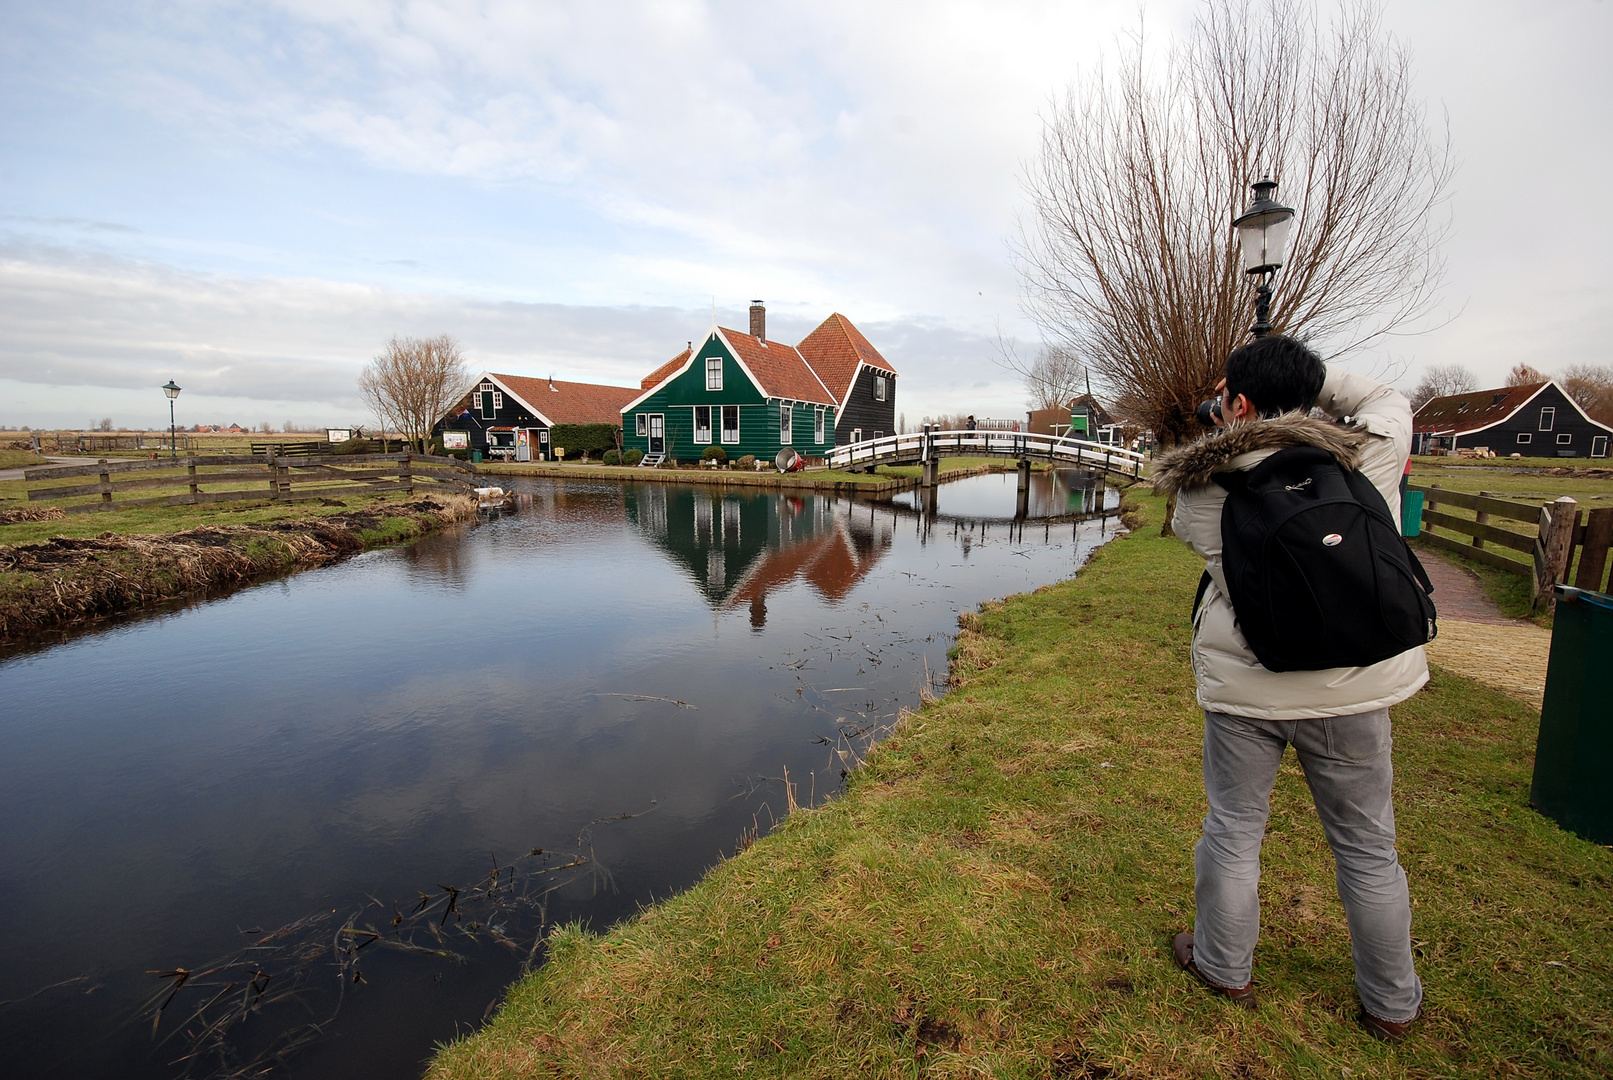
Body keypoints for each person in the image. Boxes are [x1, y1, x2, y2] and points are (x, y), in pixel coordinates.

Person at [1151, 334, 1426, 1041]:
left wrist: (1240, 415)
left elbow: (1203, 535)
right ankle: (1391, 1005)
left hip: (1250, 689)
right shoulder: (1367, 456)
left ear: (1235, 404)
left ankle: (1221, 965)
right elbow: (1387, 400)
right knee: (1367, 847)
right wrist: (1307, 379)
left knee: (1234, 832)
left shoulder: (1203, 488)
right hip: (1352, 688)